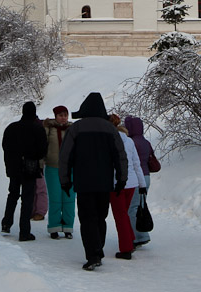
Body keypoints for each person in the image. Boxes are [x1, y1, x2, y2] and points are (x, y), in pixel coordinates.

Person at [58, 92, 127, 271]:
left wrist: (64, 181)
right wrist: (121, 179)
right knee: (100, 217)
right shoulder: (111, 129)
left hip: (84, 182)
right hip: (104, 183)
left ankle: (93, 254)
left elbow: (65, 157)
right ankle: (98, 248)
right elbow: (120, 156)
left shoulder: (76, 129)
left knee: (87, 218)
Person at [1, 101, 47, 241]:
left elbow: (5, 146)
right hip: (30, 167)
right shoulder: (37, 129)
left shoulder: (11, 127)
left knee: (13, 194)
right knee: (27, 199)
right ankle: (24, 232)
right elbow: (42, 150)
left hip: (14, 167)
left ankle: (6, 224)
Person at [108, 114, 144, 260]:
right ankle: (130, 240)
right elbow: (136, 163)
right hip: (132, 182)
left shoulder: (109, 140)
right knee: (125, 213)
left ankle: (126, 247)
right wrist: (142, 184)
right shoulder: (129, 141)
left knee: (120, 215)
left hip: (116, 182)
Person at [43, 105, 75, 239]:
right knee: (55, 199)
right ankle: (54, 227)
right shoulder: (49, 129)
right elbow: (42, 146)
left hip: (70, 168)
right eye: (61, 115)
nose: (63, 118)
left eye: (65, 115)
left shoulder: (72, 129)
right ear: (55, 116)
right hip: (52, 167)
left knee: (69, 199)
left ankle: (68, 227)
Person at [124, 115, 157, 247]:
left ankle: (138, 236)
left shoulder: (131, 142)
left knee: (132, 208)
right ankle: (142, 233)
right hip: (147, 176)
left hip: (137, 177)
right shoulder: (145, 142)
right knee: (141, 205)